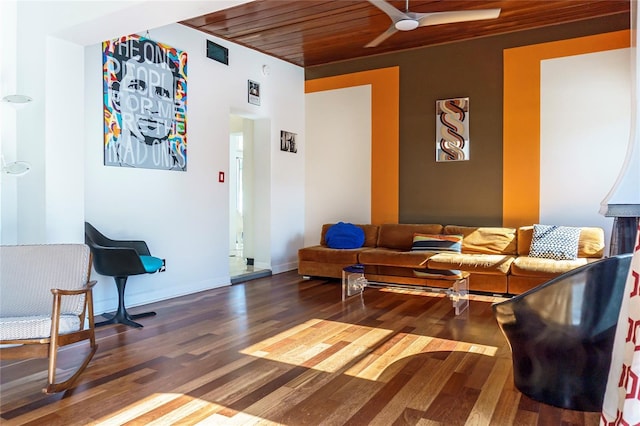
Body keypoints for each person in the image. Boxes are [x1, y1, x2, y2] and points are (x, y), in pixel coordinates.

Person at [104, 36, 186, 170]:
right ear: (116, 97)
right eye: (137, 87)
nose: (152, 106)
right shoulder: (104, 160)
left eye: (162, 93)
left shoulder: (183, 165)